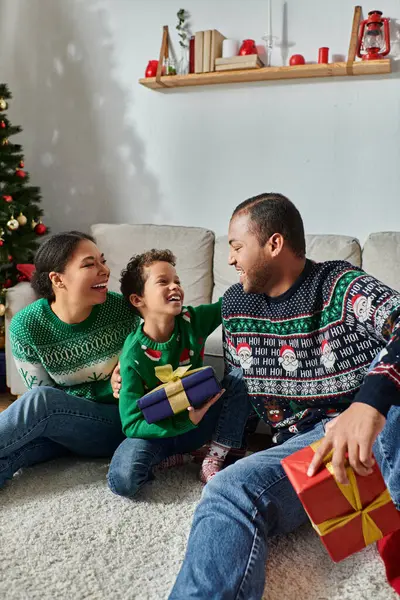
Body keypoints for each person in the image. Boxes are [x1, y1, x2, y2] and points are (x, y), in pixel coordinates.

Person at [169, 193, 400, 600]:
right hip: (312, 449)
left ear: (274, 244)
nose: (229, 259)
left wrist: (368, 402)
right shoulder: (236, 306)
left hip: (379, 430)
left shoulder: (341, 284)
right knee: (226, 491)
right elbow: (241, 382)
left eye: (237, 246)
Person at [1, 231, 139, 489]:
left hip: (119, 421)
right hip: (67, 426)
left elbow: (46, 402)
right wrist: (102, 386)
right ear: (57, 279)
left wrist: (126, 377)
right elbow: (49, 406)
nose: (105, 270)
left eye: (102, 260)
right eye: (90, 264)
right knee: (14, 453)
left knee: (42, 401)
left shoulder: (123, 310)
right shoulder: (26, 326)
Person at [107, 249, 250, 497]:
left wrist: (250, 272)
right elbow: (131, 424)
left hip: (201, 423)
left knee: (242, 377)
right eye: (163, 282)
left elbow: (228, 304)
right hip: (158, 434)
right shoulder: (132, 356)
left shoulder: (191, 321)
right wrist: (184, 422)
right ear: (137, 300)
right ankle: (182, 456)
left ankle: (212, 456)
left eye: (177, 281)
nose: (175, 287)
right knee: (124, 480)